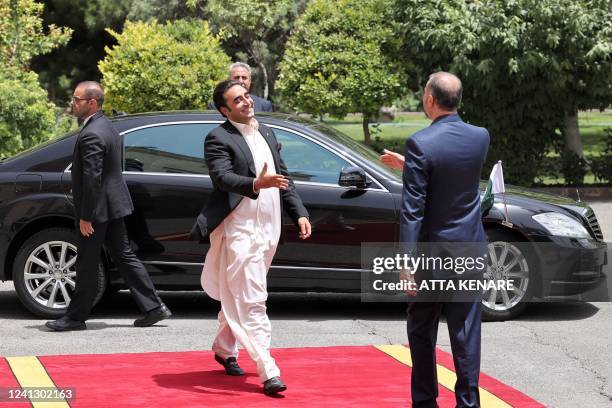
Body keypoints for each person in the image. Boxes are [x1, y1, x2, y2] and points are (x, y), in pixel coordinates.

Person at [195, 79, 311, 396]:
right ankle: (268, 370)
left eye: (247, 96)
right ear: (224, 109)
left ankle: (223, 348)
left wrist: (298, 212)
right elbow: (222, 178)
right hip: (237, 228)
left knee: (238, 293)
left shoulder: (268, 132)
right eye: (238, 100)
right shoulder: (218, 137)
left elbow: (284, 177)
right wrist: (258, 184)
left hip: (269, 228)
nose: (246, 102)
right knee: (253, 299)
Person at [389, 72, 489, 407]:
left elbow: (413, 209)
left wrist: (406, 260)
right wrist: (410, 166)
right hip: (470, 248)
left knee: (421, 330)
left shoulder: (421, 143)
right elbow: (452, 176)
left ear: (430, 99)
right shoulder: (480, 137)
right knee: (466, 333)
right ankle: (468, 402)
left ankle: (425, 401)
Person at [46, 81, 172, 331]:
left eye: (77, 99)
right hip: (113, 206)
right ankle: (154, 307)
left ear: (91, 102)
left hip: (98, 210)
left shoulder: (92, 132)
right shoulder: (107, 126)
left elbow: (93, 177)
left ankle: (75, 318)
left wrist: (86, 216)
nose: (73, 103)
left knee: (86, 262)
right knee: (124, 256)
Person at [208, 62, 273, 112]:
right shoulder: (216, 105)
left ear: (250, 81)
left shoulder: (264, 106)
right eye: (236, 77)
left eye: (244, 78)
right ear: (228, 80)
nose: (240, 81)